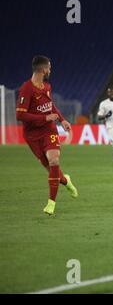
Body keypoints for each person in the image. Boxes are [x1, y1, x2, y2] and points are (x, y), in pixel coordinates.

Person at [16, 55, 78, 215]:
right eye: (49, 67)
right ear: (43, 69)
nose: (50, 70)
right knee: (52, 170)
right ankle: (66, 181)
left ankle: (51, 203)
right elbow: (20, 115)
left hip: (48, 130)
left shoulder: (47, 87)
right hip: (32, 136)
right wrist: (44, 117)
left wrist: (62, 120)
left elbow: (50, 106)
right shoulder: (26, 89)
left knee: (54, 160)